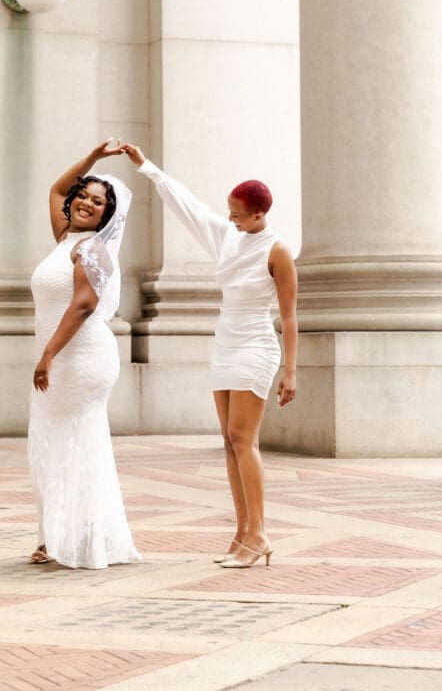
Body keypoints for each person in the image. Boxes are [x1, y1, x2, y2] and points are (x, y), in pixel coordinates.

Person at [121, 142, 297, 569]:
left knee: (243, 439)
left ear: (260, 214)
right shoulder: (227, 237)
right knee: (228, 443)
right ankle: (241, 534)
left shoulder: (278, 251)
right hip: (225, 344)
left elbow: (289, 318)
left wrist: (291, 372)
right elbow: (187, 206)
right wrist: (146, 167)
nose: (231, 219)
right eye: (230, 212)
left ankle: (258, 534)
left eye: (238, 213)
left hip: (256, 347)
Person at [26, 140, 141, 570]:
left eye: (98, 201)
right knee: (51, 445)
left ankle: (80, 539)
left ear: (107, 214)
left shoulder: (92, 249)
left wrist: (48, 354)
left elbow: (83, 305)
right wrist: (93, 159)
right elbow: (56, 190)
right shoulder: (64, 237)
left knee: (75, 445)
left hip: (80, 358)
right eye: (84, 195)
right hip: (58, 358)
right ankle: (54, 535)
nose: (86, 203)